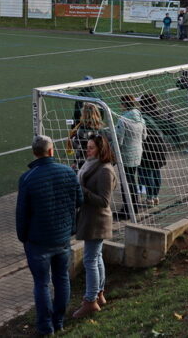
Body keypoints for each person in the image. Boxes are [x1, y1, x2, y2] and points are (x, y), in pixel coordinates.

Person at [15, 136, 82, 336]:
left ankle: (46, 327)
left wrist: (23, 237)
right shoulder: (68, 172)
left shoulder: (27, 178)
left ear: (34, 153)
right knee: (62, 279)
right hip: (62, 237)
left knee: (42, 283)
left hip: (37, 241)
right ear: (51, 151)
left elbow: (22, 213)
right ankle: (59, 321)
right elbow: (79, 199)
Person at [72, 134, 118, 321]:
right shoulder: (90, 163)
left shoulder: (105, 170)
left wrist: (81, 190)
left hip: (97, 220)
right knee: (96, 257)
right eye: (87, 146)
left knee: (90, 260)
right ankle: (99, 294)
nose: (87, 150)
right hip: (90, 219)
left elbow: (104, 200)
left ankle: (90, 301)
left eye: (91, 147)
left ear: (101, 149)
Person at [114, 96, 145, 216]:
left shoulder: (123, 120)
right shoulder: (141, 118)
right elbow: (144, 136)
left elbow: (119, 140)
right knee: (133, 179)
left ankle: (128, 209)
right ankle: (134, 206)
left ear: (124, 104)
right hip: (138, 153)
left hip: (126, 155)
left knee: (126, 182)